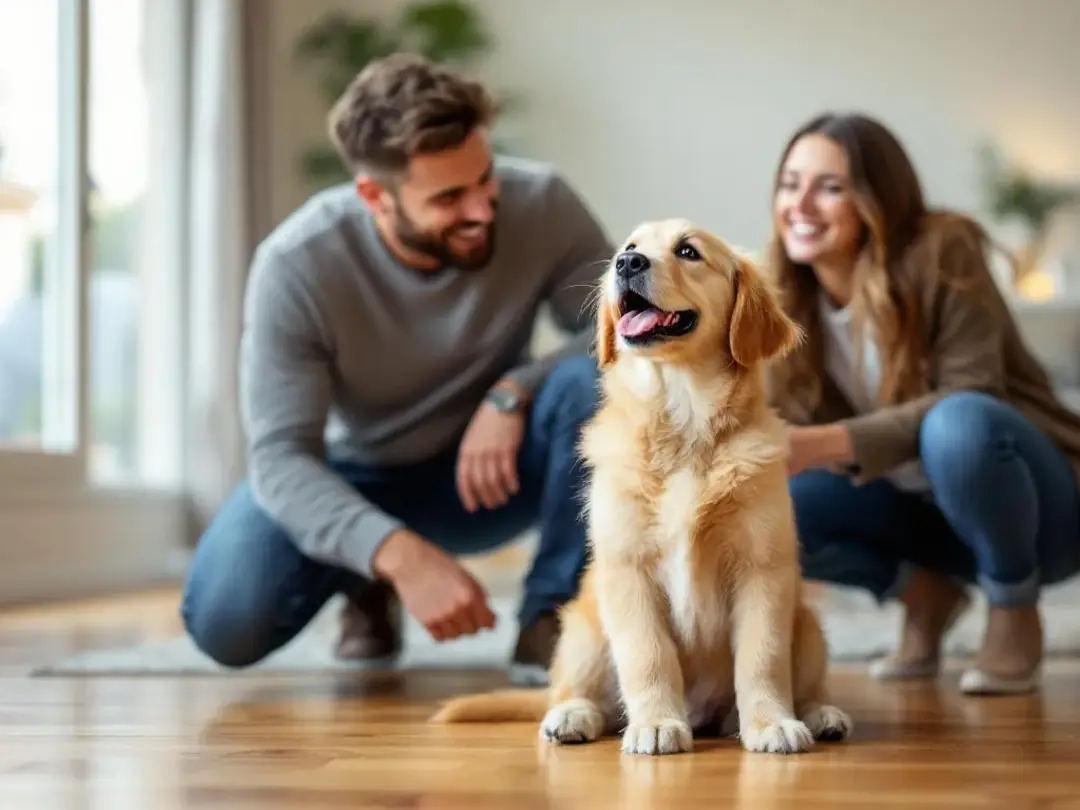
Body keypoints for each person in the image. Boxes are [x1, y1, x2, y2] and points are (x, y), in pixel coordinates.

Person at [179, 53, 613, 685]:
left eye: (484, 178)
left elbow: (619, 327)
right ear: (373, 196)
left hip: (487, 473)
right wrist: (397, 554)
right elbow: (279, 457)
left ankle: (551, 617)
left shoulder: (542, 203)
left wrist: (515, 389)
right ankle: (366, 578)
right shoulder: (297, 264)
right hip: (357, 479)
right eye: (448, 197)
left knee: (596, 380)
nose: (483, 210)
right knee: (226, 618)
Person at [763, 111, 1080, 696]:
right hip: (925, 524)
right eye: (790, 183)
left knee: (957, 424)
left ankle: (1013, 605)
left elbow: (974, 390)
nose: (800, 204)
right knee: (770, 501)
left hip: (1040, 514)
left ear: (876, 198)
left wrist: (823, 443)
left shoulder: (943, 249)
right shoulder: (780, 297)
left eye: (830, 187)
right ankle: (925, 596)